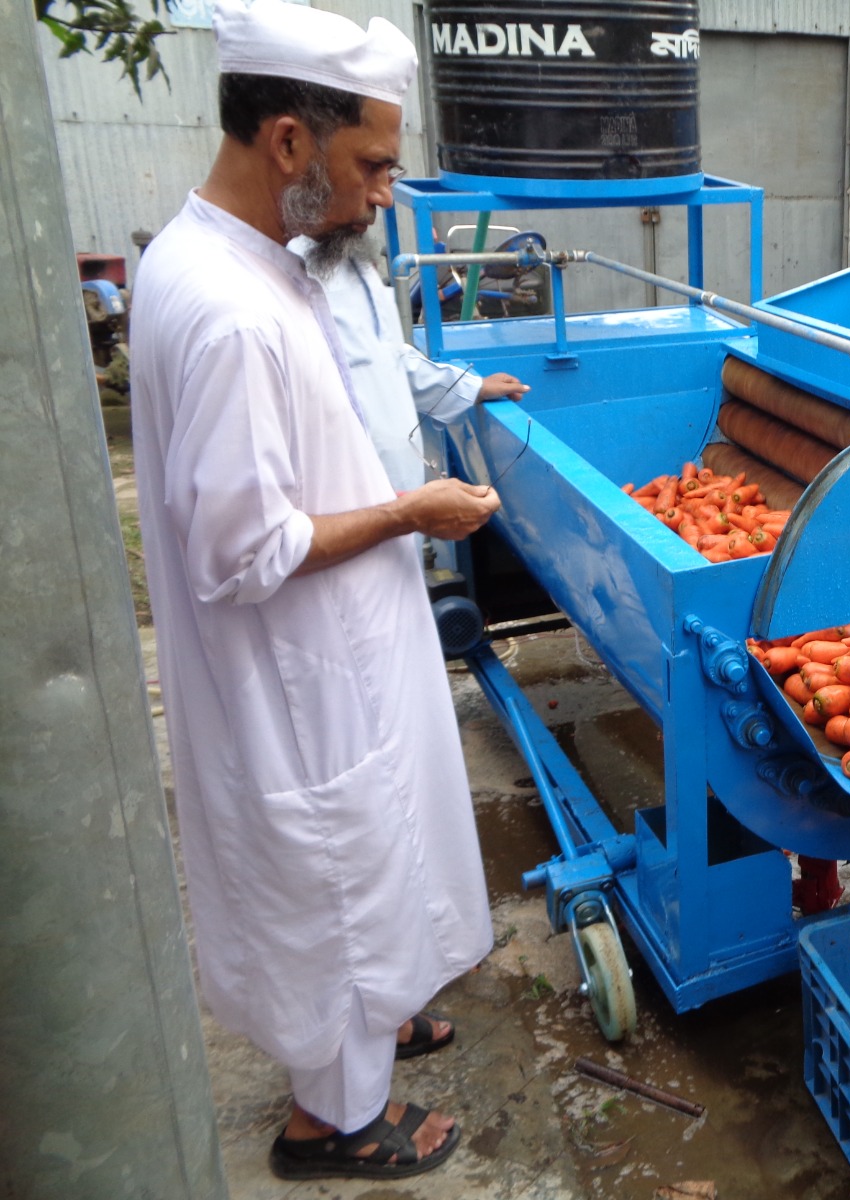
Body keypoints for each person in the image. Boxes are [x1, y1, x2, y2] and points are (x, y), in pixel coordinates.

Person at [129, 0, 498, 1180]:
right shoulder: (233, 312)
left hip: (331, 655)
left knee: (367, 858)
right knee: (333, 874)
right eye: (374, 164)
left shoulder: (245, 260)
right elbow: (241, 549)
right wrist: (409, 511)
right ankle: (334, 1124)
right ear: (289, 143)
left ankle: (378, 1020)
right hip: (295, 677)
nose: (387, 189)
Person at [288, 233, 529, 496]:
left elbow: (389, 357)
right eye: (370, 188)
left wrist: (471, 386)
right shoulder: (296, 269)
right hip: (348, 494)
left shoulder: (346, 258)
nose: (384, 199)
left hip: (398, 488)